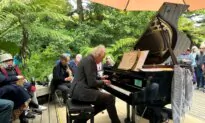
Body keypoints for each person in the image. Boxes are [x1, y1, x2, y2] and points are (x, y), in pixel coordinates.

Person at [70, 45, 121, 123]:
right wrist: (103, 82)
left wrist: (101, 78)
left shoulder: (87, 59)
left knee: (106, 101)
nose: (102, 60)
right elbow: (92, 83)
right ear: (98, 55)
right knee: (110, 98)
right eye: (102, 58)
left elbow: (89, 77)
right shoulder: (91, 61)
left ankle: (80, 120)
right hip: (81, 92)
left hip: (76, 90)